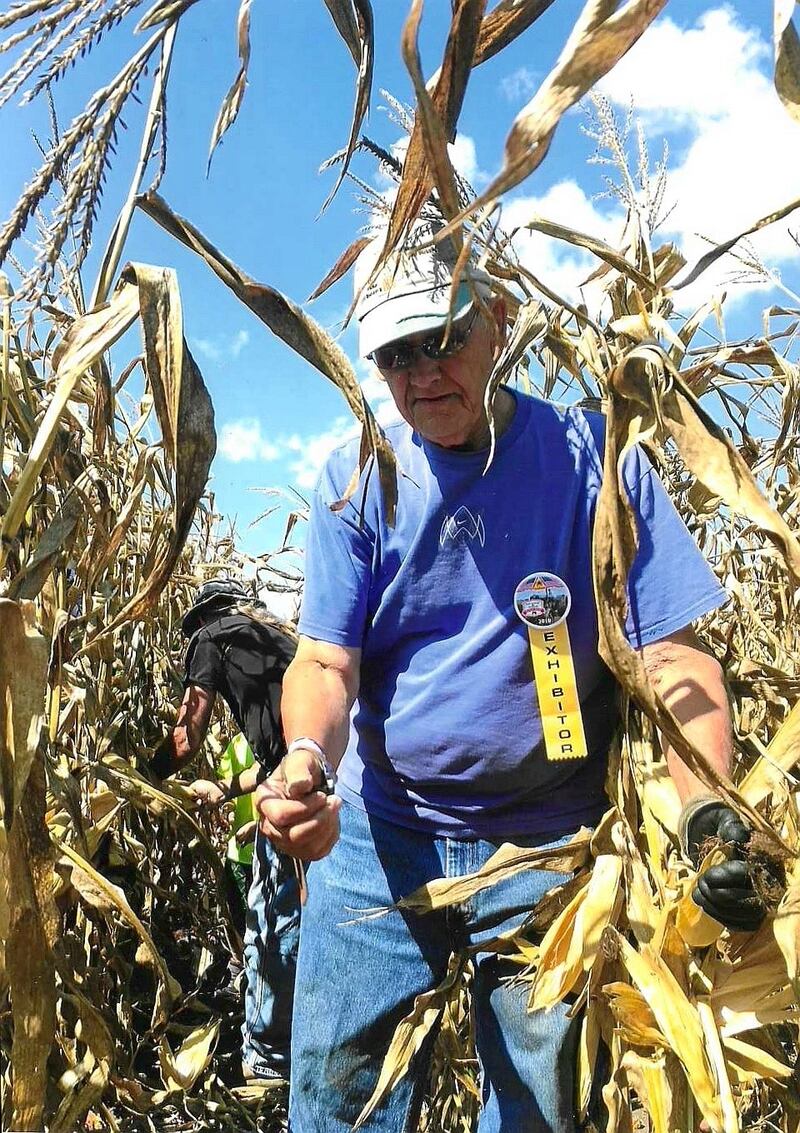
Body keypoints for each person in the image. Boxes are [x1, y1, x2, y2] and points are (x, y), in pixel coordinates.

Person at [255, 214, 765, 1132]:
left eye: (444, 339)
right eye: (396, 356)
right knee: (336, 1101)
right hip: (381, 841)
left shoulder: (595, 465)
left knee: (540, 1109)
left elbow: (671, 655)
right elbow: (327, 659)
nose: (423, 376)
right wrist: (303, 759)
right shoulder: (358, 481)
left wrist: (710, 815)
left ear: (498, 315)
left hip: (546, 850)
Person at [150, 578, 299, 1083]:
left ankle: (268, 1056)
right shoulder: (275, 640)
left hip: (293, 800)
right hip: (325, 777)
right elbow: (281, 755)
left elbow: (187, 736)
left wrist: (141, 774)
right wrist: (221, 787)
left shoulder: (211, 637)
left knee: (272, 921)